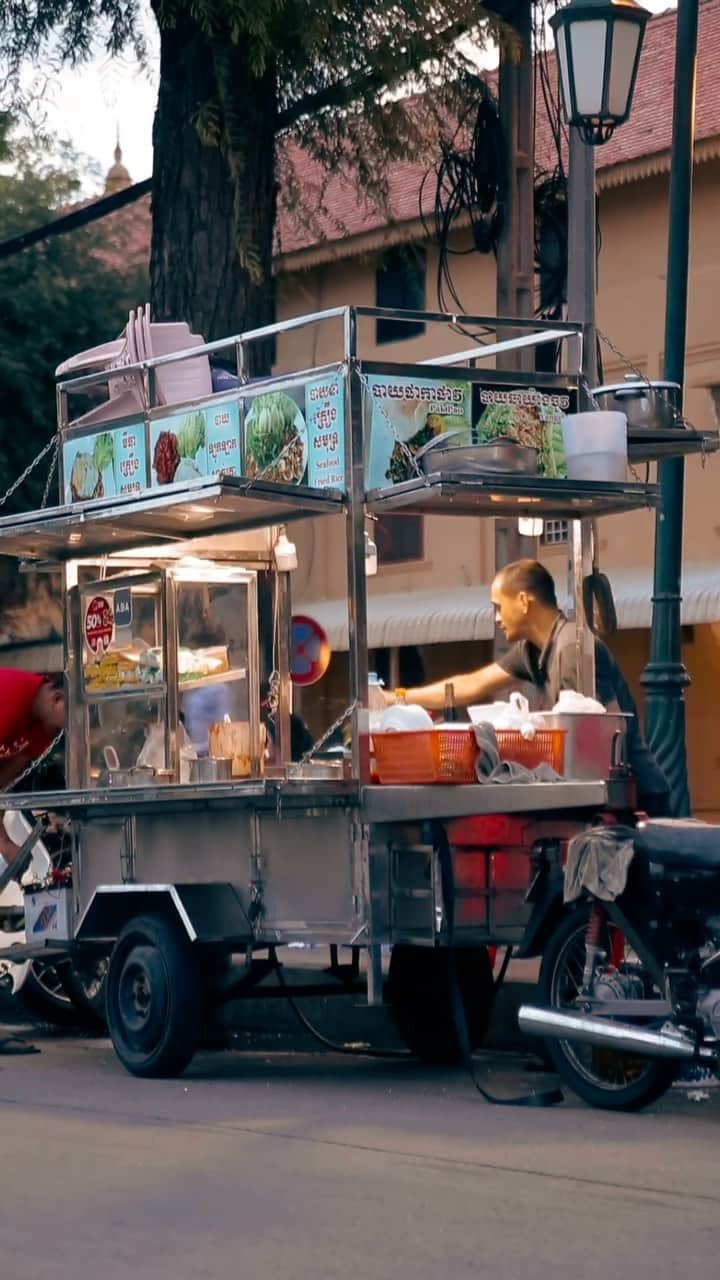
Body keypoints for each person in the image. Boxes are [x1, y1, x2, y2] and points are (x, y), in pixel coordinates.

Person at [385, 559, 670, 816]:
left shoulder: (571, 648)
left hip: (637, 796)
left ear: (523, 601)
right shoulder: (532, 651)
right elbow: (472, 684)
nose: (496, 618)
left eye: (498, 606)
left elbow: (600, 732)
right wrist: (398, 698)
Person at [0, 671, 65, 866]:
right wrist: (4, 843)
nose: (67, 730)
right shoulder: (10, 699)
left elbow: (2, 783)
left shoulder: (44, 729)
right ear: (56, 699)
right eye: (72, 716)